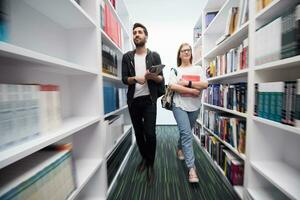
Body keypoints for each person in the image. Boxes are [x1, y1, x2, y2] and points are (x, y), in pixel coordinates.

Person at [121, 23, 164, 183]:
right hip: (134, 102)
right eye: (134, 33)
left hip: (149, 100)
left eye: (140, 32)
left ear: (146, 36)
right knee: (139, 134)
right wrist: (135, 79)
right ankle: (145, 159)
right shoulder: (127, 57)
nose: (137, 35)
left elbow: (161, 79)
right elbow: (124, 79)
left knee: (150, 134)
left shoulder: (154, 56)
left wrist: (153, 77)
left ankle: (150, 164)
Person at [169, 43, 208, 183]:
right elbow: (172, 86)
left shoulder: (198, 69)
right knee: (187, 134)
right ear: (179, 54)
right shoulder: (175, 70)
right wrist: (192, 90)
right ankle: (192, 168)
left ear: (191, 53)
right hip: (178, 105)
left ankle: (179, 148)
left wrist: (187, 83)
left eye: (188, 50)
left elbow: (205, 84)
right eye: (183, 50)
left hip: (194, 106)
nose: (186, 52)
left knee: (186, 131)